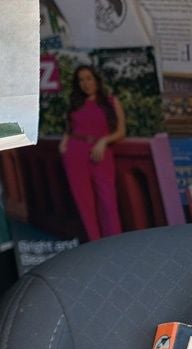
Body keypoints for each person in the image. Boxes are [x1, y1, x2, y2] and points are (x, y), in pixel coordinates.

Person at [59, 65, 126, 240]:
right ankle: (94, 243)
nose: (86, 83)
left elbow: (121, 132)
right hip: (75, 153)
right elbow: (70, 128)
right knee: (84, 203)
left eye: (89, 78)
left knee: (108, 202)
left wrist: (104, 141)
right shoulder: (75, 104)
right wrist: (64, 144)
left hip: (100, 153)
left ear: (96, 80)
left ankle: (114, 243)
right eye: (81, 80)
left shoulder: (111, 102)